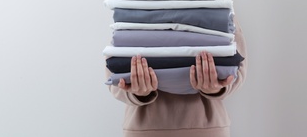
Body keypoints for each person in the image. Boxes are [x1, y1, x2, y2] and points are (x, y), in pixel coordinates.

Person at [105, 17, 247, 137]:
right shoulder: (133, 6)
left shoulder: (217, 7)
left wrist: (217, 87)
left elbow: (237, 67)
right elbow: (115, 72)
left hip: (206, 127)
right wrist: (137, 92)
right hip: (146, 128)